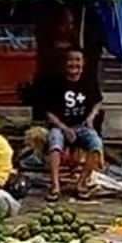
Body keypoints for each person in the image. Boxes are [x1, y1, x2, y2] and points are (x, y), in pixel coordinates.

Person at [44, 46, 104, 202]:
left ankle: (81, 183)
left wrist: (91, 118)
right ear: (65, 63)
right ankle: (55, 185)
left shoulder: (89, 81)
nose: (74, 63)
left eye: (78, 60)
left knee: (96, 144)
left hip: (82, 125)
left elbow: (98, 102)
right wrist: (65, 129)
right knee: (55, 143)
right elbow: (49, 113)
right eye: (71, 60)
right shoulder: (56, 83)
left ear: (83, 63)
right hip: (60, 126)